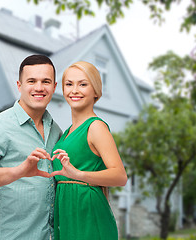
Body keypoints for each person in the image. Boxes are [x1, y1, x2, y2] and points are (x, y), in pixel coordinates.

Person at [0, 54, 62, 240]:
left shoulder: (55, 130)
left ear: (54, 87)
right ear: (19, 85)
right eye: (31, 81)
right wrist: (20, 171)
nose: (39, 88)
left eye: (45, 81)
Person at [51, 61, 128, 240]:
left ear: (96, 91)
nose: (74, 90)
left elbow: (120, 176)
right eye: (69, 84)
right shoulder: (66, 133)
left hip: (88, 214)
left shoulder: (96, 127)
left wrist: (79, 174)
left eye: (83, 84)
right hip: (68, 214)